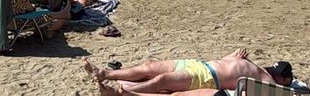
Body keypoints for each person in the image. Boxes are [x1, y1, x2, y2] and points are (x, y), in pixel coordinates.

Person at [83, 49, 293, 94]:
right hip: (198, 64)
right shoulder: (253, 64)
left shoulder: (268, 81)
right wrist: (233, 55)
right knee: (149, 66)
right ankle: (104, 74)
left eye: (278, 71)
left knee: (162, 80)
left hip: (208, 78)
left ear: (283, 79)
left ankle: (125, 90)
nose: (272, 69)